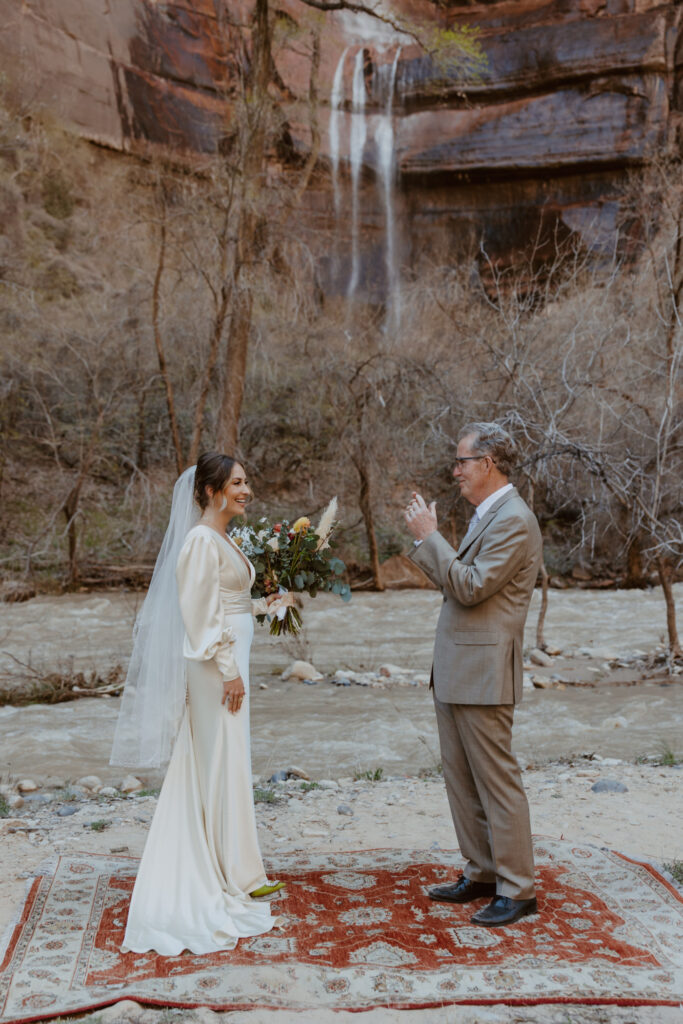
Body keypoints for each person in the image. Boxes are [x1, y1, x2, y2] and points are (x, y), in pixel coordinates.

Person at [110, 452, 292, 955]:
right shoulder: (197, 541)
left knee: (229, 763)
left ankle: (237, 867)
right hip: (217, 668)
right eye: (237, 482)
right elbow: (199, 617)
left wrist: (267, 605)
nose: (246, 489)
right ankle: (219, 872)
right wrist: (229, 671)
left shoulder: (222, 539)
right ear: (210, 491)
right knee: (218, 763)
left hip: (229, 661)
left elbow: (227, 603)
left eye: (247, 480)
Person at [403, 422, 542, 928]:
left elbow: (469, 588)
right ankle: (482, 872)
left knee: (496, 782)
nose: (455, 470)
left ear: (488, 464)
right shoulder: (489, 514)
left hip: (483, 671)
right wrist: (433, 545)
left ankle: (518, 889)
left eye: (462, 461)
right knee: (461, 780)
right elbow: (457, 584)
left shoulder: (514, 520)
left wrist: (430, 538)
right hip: (458, 667)